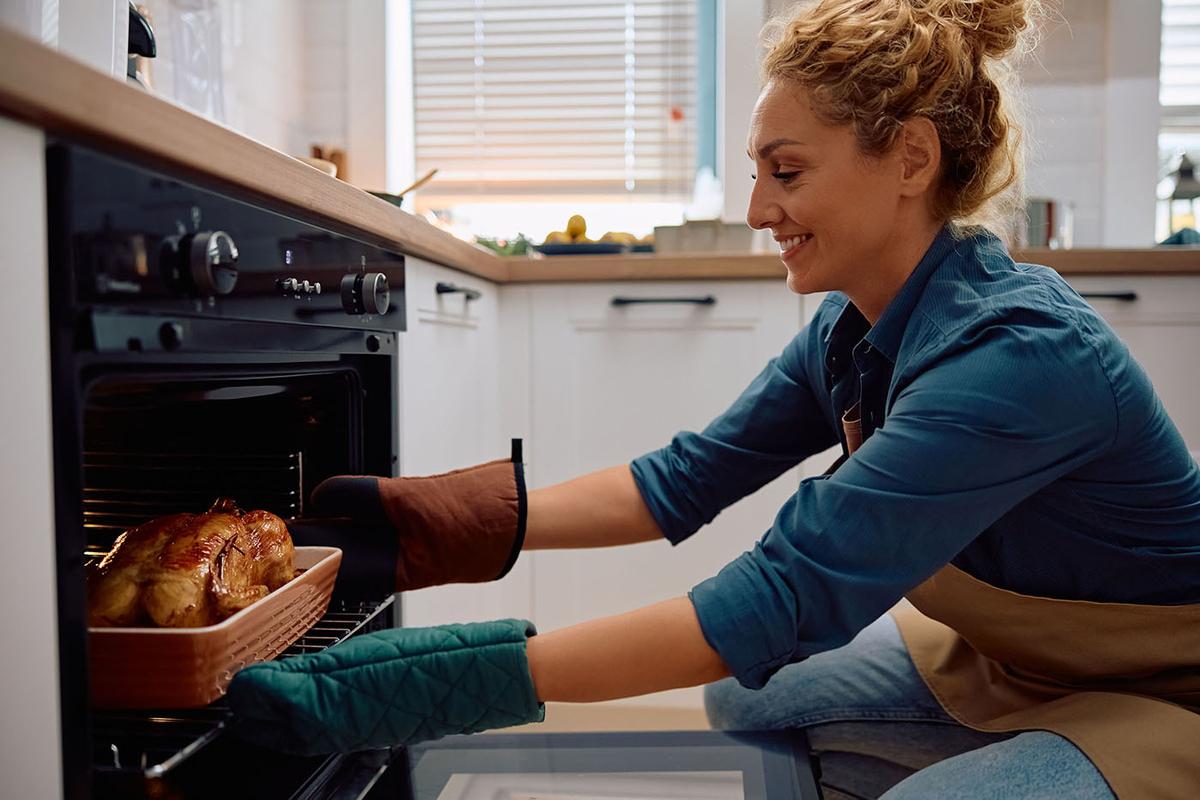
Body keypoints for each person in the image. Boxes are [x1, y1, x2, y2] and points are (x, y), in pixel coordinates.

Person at [228, 0, 1200, 797]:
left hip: (1165, 694)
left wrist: (441, 682)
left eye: (787, 172)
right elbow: (687, 479)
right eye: (757, 173)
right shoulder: (853, 325)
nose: (756, 210)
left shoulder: (1015, 360)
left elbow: (779, 593)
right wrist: (438, 522)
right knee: (746, 698)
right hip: (1006, 663)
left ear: (910, 159)